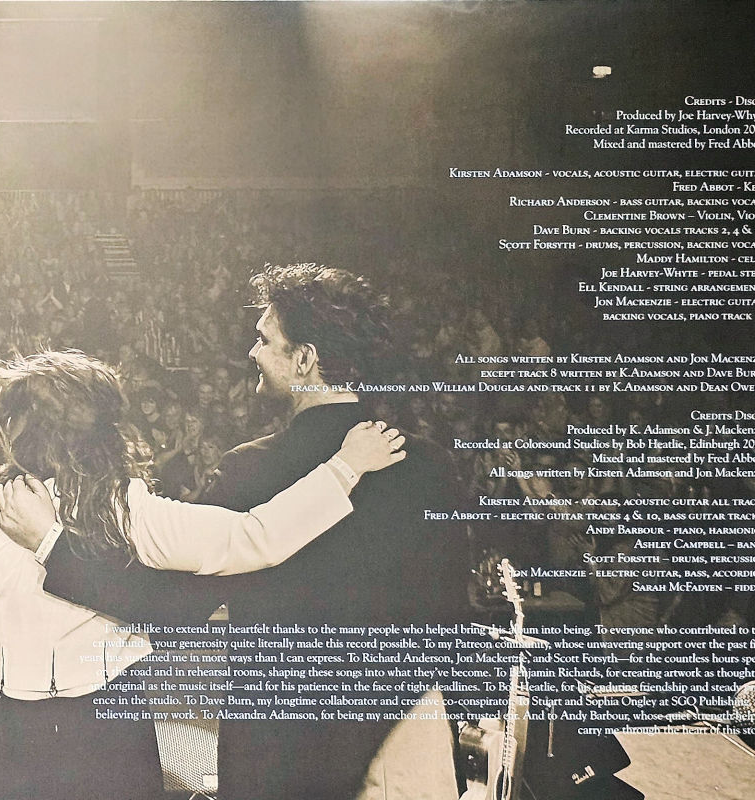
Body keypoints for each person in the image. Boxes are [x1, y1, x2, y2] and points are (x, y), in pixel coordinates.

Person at [0, 350, 407, 800]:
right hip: (105, 738)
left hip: (20, 741)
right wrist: (344, 468)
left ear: (19, 433)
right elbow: (254, 538)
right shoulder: (128, 509)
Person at [24, 265, 470, 800]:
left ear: (304, 359)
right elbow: (450, 617)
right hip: (400, 738)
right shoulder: (429, 464)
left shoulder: (250, 469)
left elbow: (171, 607)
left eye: (264, 339)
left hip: (280, 749)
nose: (251, 352)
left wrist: (52, 547)